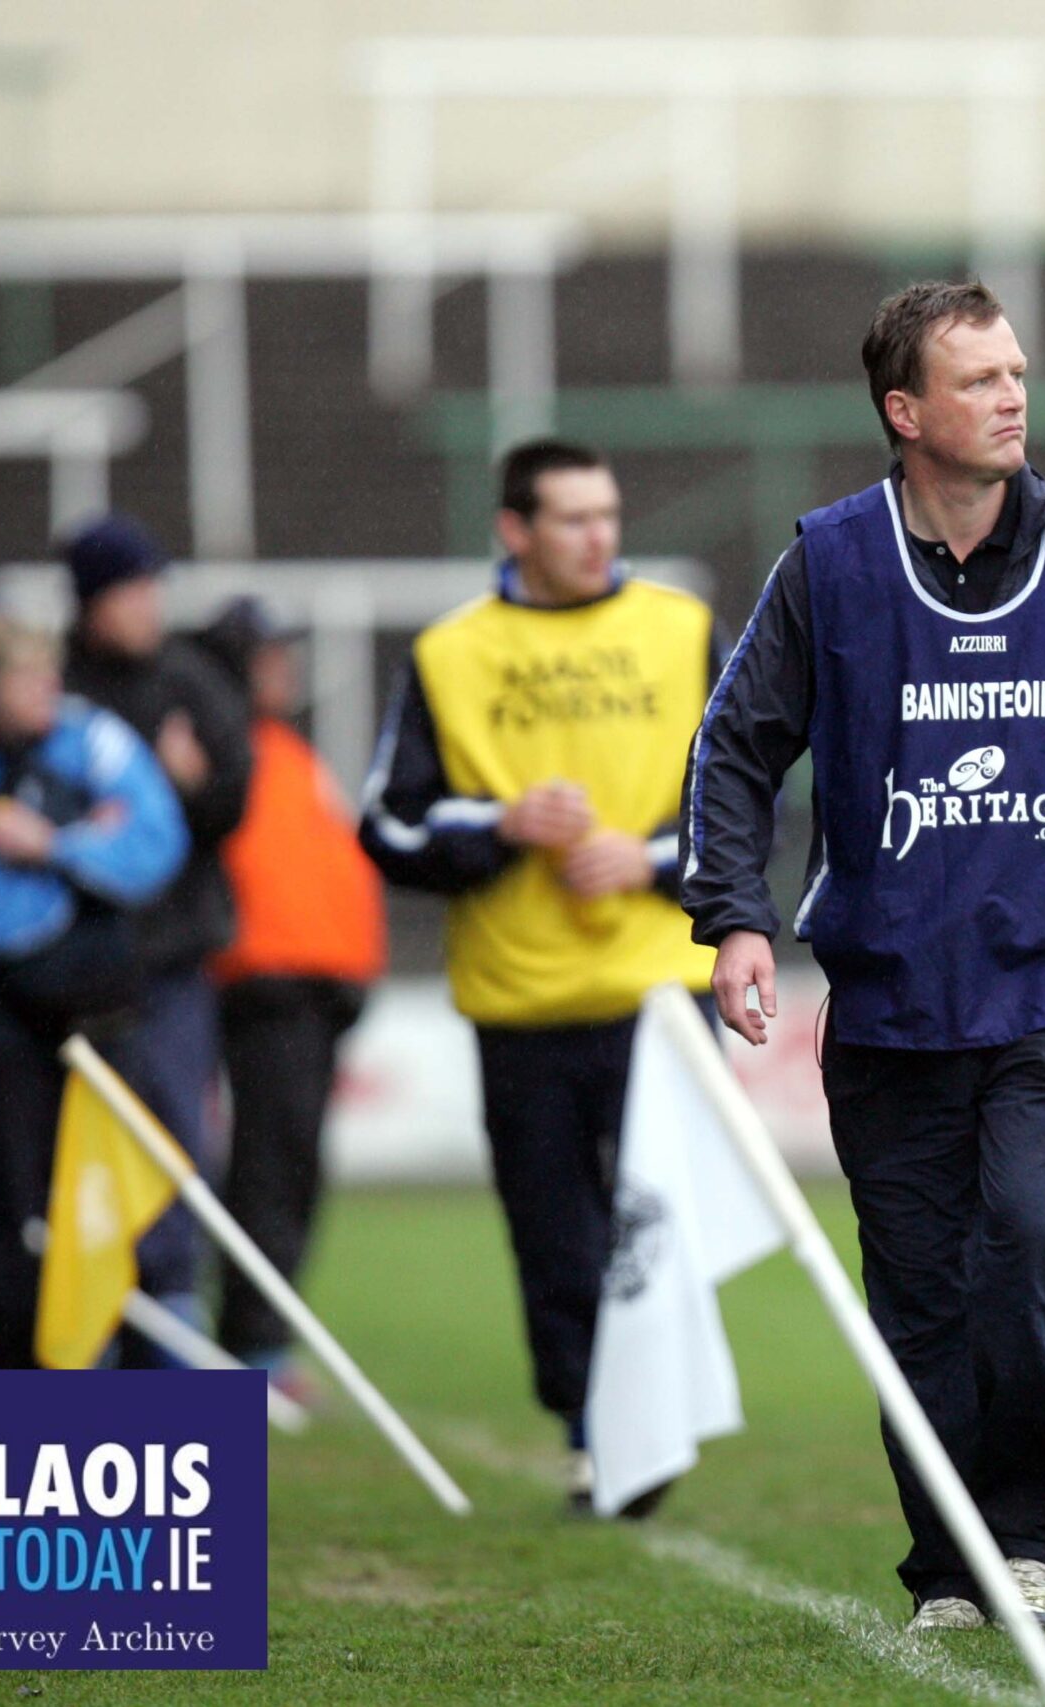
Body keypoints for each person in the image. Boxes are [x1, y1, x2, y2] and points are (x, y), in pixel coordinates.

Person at [682, 280, 1045, 1632]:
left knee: (1036, 1234)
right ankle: (949, 1561)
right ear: (905, 410)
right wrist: (738, 913)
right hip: (886, 989)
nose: (1013, 397)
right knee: (922, 1289)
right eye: (980, 378)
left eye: (1018, 373)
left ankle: (1039, 1537)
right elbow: (735, 745)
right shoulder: (828, 560)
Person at [361, 439, 715, 1514]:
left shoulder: (681, 628)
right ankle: (587, 1425)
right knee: (552, 1233)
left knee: (655, 1225)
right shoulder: (450, 653)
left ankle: (649, 1426)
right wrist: (501, 824)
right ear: (514, 529)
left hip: (659, 990)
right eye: (571, 518)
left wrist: (652, 857)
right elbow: (384, 823)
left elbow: (756, 801)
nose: (598, 536)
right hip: (518, 997)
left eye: (607, 514)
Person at [0, 613, 186, 1367]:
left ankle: (131, 1347)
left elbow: (154, 843)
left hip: (98, 1005)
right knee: (9, 1191)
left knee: (112, 1183)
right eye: (25, 676)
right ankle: (12, 1355)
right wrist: (69, 849)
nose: (47, 691)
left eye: (49, 673)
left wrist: (53, 843)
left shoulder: (91, 739)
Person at [58, 513, 253, 1352]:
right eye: (132, 590)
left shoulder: (190, 677)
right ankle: (78, 1307)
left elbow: (233, 798)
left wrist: (186, 789)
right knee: (76, 1141)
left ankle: (171, 1301)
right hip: (69, 963)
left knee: (176, 1131)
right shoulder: (59, 684)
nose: (148, 606)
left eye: (152, 588)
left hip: (172, 956)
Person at [196, 597, 385, 1382]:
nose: (287, 666)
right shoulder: (226, 750)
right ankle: (253, 1343)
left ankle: (256, 1333)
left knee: (288, 1167)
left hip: (309, 993)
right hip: (263, 989)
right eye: (269, 652)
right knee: (270, 1170)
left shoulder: (279, 750)